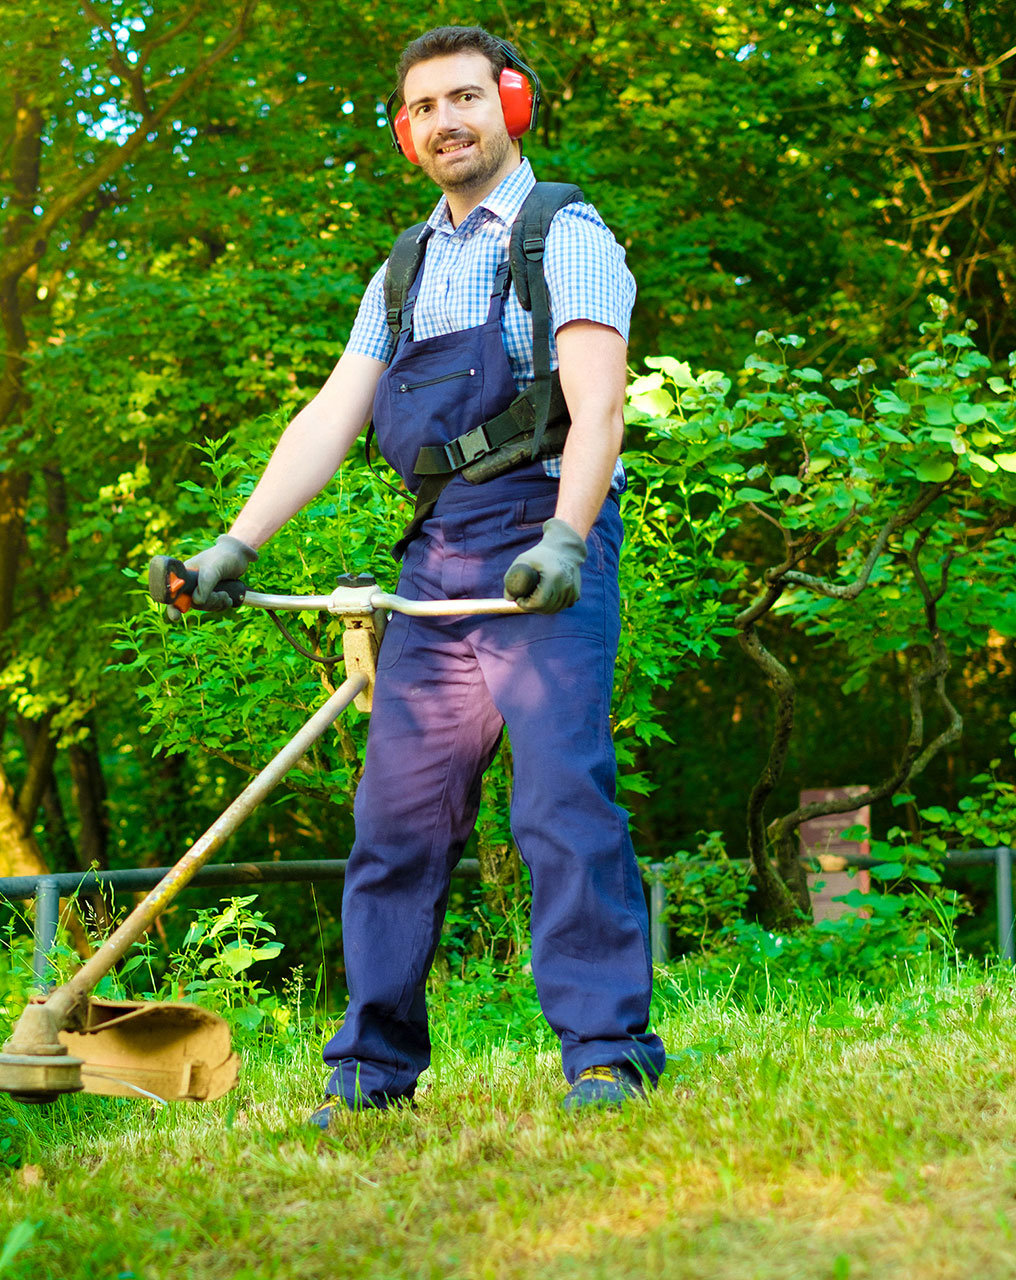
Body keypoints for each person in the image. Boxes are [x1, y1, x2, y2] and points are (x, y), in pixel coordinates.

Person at [172, 25, 665, 1121]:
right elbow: (330, 416)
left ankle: (606, 1050)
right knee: (396, 820)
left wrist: (569, 537)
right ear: (407, 133)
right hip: (439, 553)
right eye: (424, 107)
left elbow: (599, 411)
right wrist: (234, 544)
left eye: (464, 98)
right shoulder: (406, 266)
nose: (445, 120)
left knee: (560, 799)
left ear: (512, 105)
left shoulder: (564, 234)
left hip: (543, 534)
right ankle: (371, 1068)